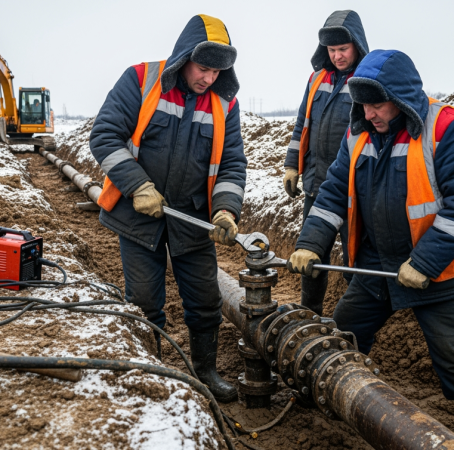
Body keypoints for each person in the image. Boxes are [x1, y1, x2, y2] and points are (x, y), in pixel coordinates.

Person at [286, 49, 454, 450]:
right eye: (362, 104)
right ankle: (316, 403)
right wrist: (311, 244)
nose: (369, 113)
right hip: (376, 270)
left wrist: (425, 262)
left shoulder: (450, 129)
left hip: (442, 275)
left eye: (377, 103)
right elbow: (331, 194)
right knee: (341, 335)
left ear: (401, 97)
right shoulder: (359, 132)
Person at [89, 14, 246, 402]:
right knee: (144, 302)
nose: (209, 78)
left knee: (205, 300)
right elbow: (104, 135)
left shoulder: (225, 104)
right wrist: (137, 185)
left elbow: (231, 164)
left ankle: (205, 371)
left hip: (192, 218)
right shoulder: (142, 81)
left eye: (217, 71)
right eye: (203, 68)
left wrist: (225, 210)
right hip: (138, 215)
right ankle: (153, 373)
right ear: (184, 57)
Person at [283, 10, 368, 316]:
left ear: (357, 45)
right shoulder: (317, 78)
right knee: (310, 255)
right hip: (317, 183)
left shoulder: (367, 81)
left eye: (342, 49)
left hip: (353, 190)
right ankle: (311, 311)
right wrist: (292, 164)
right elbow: (301, 124)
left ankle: (357, 318)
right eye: (331, 50)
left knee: (353, 260)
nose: (337, 56)